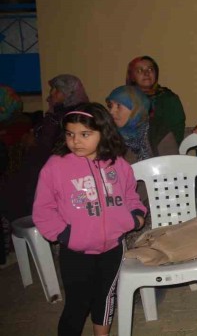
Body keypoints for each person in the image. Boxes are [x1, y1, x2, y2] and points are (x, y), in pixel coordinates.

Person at [32, 103, 146, 336]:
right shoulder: (56, 166)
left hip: (113, 247)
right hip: (76, 250)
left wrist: (136, 216)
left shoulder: (119, 164)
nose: (76, 141)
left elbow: (130, 195)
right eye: (70, 134)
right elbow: (43, 209)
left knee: (106, 297)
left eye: (85, 134)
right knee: (77, 303)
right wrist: (64, 234)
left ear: (103, 132)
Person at [0, 75, 89, 222]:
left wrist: (34, 140)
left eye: (57, 90)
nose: (51, 94)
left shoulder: (76, 116)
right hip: (40, 161)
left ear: (70, 93)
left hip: (53, 164)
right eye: (52, 89)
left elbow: (56, 144)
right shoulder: (57, 112)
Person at [125, 55, 185, 151]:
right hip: (129, 151)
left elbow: (176, 134)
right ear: (132, 76)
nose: (146, 73)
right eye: (140, 70)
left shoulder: (168, 98)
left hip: (162, 152)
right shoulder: (124, 100)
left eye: (150, 69)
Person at [106, 86, 154, 163]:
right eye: (110, 106)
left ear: (135, 109)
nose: (111, 111)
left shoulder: (158, 133)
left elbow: (171, 166)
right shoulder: (108, 137)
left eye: (118, 106)